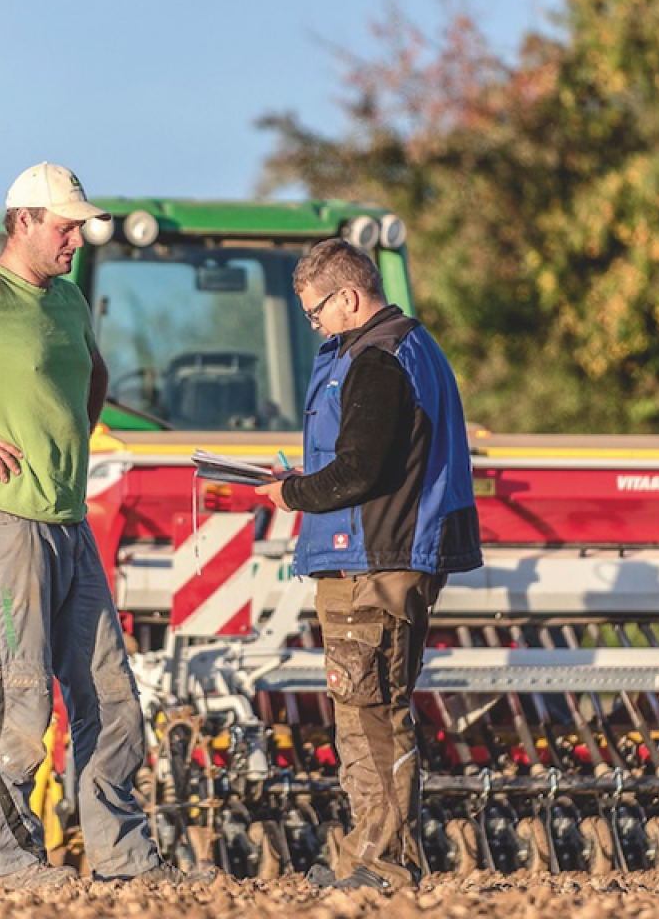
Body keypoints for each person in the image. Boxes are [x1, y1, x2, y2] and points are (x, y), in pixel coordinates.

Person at [0, 162, 200, 889]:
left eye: (79, 228)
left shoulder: (68, 303)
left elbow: (95, 377)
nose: (75, 242)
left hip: (66, 520)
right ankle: (17, 863)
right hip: (3, 522)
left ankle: (124, 860)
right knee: (22, 699)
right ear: (22, 220)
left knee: (111, 698)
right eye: (64, 227)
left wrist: (72, 446)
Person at [256, 238, 482, 891]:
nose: (315, 324)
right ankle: (368, 856)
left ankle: (383, 867)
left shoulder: (377, 360)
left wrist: (291, 493)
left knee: (370, 714)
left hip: (374, 561)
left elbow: (360, 470)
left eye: (317, 311)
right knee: (366, 709)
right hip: (386, 555)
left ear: (349, 297)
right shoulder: (410, 348)